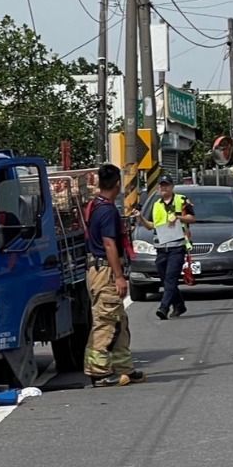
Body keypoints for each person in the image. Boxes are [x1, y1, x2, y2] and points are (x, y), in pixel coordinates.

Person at [83, 164, 145, 387]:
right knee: (106, 321)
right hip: (105, 271)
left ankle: (123, 366)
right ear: (117, 183)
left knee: (119, 320)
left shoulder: (95, 205)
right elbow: (109, 244)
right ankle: (98, 372)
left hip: (98, 268)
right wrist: (119, 276)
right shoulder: (107, 211)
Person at [139, 175, 196, 320]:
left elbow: (192, 218)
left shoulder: (181, 200)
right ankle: (179, 305)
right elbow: (152, 226)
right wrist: (140, 218)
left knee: (171, 278)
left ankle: (163, 307)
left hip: (177, 246)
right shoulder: (156, 204)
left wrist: (178, 218)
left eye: (166, 185)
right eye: (161, 185)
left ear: (172, 187)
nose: (164, 188)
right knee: (165, 279)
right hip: (161, 247)